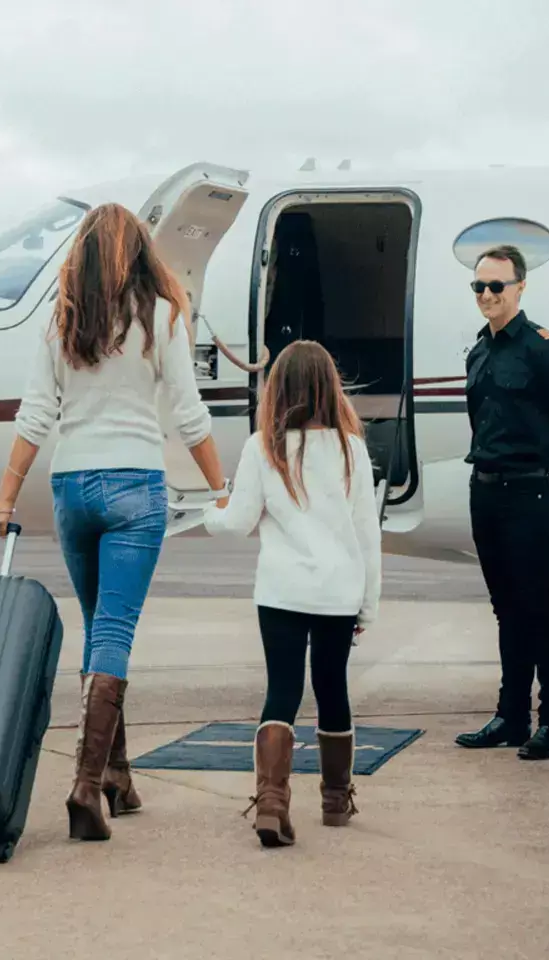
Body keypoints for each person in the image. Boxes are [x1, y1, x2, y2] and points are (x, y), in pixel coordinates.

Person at [0, 202, 229, 842]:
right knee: (113, 631)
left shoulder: (61, 320)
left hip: (72, 487)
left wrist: (3, 501)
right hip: (135, 486)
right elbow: (189, 415)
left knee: (98, 630)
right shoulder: (162, 316)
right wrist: (221, 489)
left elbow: (36, 415)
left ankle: (116, 774)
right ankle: (85, 787)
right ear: (140, 253)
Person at [202, 339, 382, 848]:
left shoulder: (263, 447)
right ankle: (335, 800)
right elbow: (367, 535)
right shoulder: (352, 449)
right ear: (330, 388)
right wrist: (368, 605)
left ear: (278, 388)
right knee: (332, 688)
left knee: (281, 689)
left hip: (281, 591)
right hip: (338, 594)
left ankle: (272, 802)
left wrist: (209, 512)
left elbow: (237, 521)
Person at [454, 244, 549, 760]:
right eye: (479, 286)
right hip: (485, 489)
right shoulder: (478, 352)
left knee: (539, 606)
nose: (486, 295)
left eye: (496, 286)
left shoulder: (546, 350)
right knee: (505, 608)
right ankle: (511, 716)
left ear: (520, 287)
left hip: (531, 490)